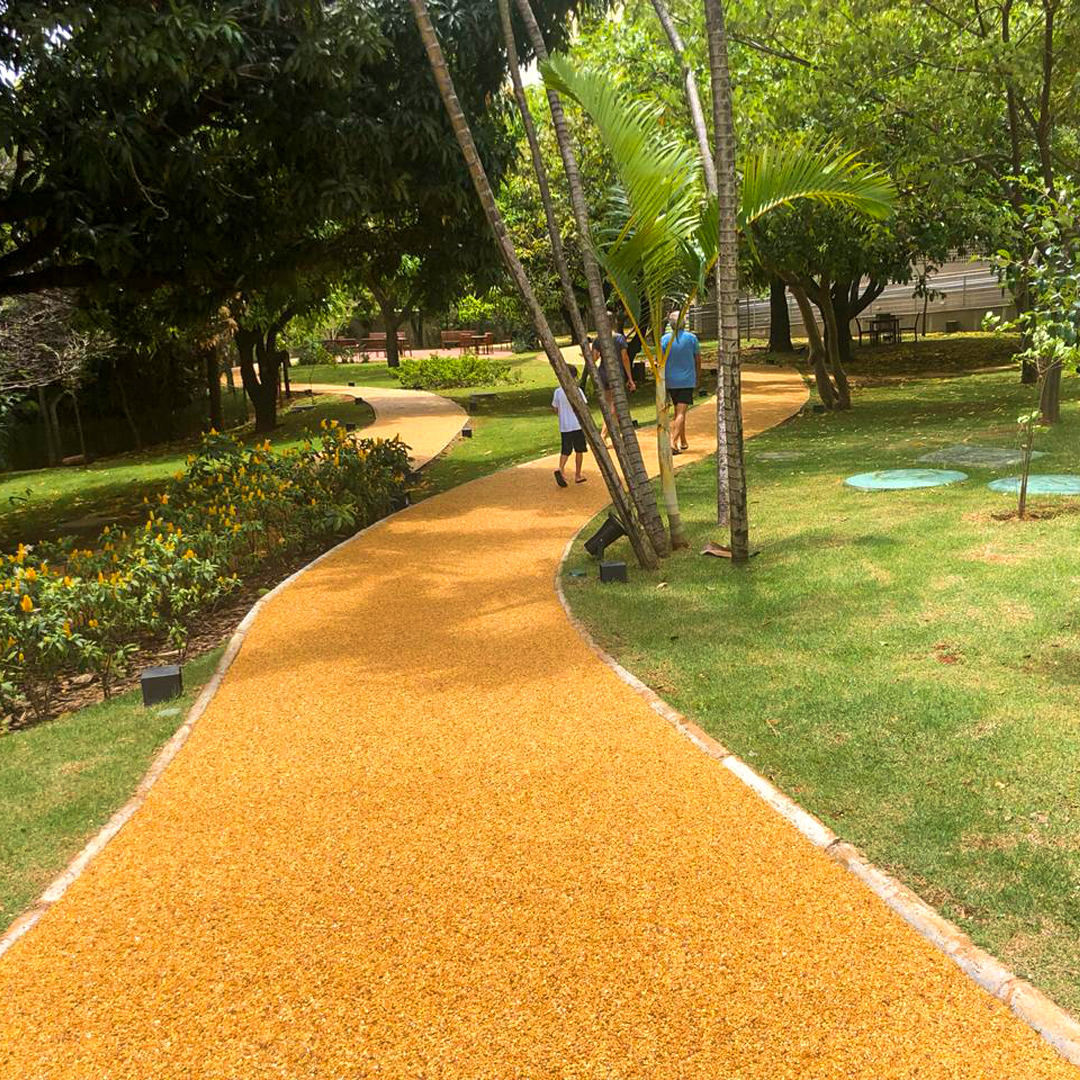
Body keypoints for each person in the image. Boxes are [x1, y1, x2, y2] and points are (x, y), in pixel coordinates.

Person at [590, 310, 636, 442]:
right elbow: (625, 358)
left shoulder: (598, 339)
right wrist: (630, 379)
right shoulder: (619, 338)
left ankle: (612, 433)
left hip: (603, 373)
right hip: (616, 375)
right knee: (614, 407)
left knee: (610, 405)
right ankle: (603, 435)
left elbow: (594, 358)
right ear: (613, 322)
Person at [660, 309, 700, 454]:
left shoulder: (664, 339)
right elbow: (697, 360)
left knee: (678, 412)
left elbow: (660, 361)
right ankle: (673, 441)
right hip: (686, 380)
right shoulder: (692, 338)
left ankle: (683, 440)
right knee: (681, 412)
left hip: (670, 381)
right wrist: (698, 377)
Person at [551, 364, 588, 487]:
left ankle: (561, 469)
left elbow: (555, 408)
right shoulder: (578, 390)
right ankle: (578, 475)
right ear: (574, 377)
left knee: (565, 450)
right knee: (579, 450)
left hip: (565, 426)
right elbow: (584, 406)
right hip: (577, 426)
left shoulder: (558, 391)